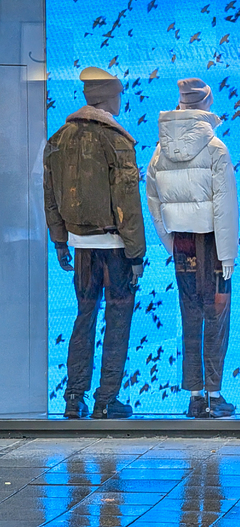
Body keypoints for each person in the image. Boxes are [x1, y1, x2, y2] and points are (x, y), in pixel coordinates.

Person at [43, 67, 146, 419]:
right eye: (117, 94)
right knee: (118, 318)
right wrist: (136, 253)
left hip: (80, 245)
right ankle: (106, 399)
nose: (120, 100)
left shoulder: (58, 138)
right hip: (115, 248)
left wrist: (59, 241)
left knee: (84, 316)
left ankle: (74, 397)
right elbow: (128, 202)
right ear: (106, 97)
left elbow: (50, 196)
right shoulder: (117, 140)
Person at [147, 78, 239, 419]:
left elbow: (153, 202)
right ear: (207, 104)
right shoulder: (216, 148)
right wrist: (227, 252)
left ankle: (195, 397)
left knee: (190, 319)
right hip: (214, 246)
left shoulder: (159, 150)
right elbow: (225, 206)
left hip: (183, 245)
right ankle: (215, 396)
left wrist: (169, 241)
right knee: (216, 317)